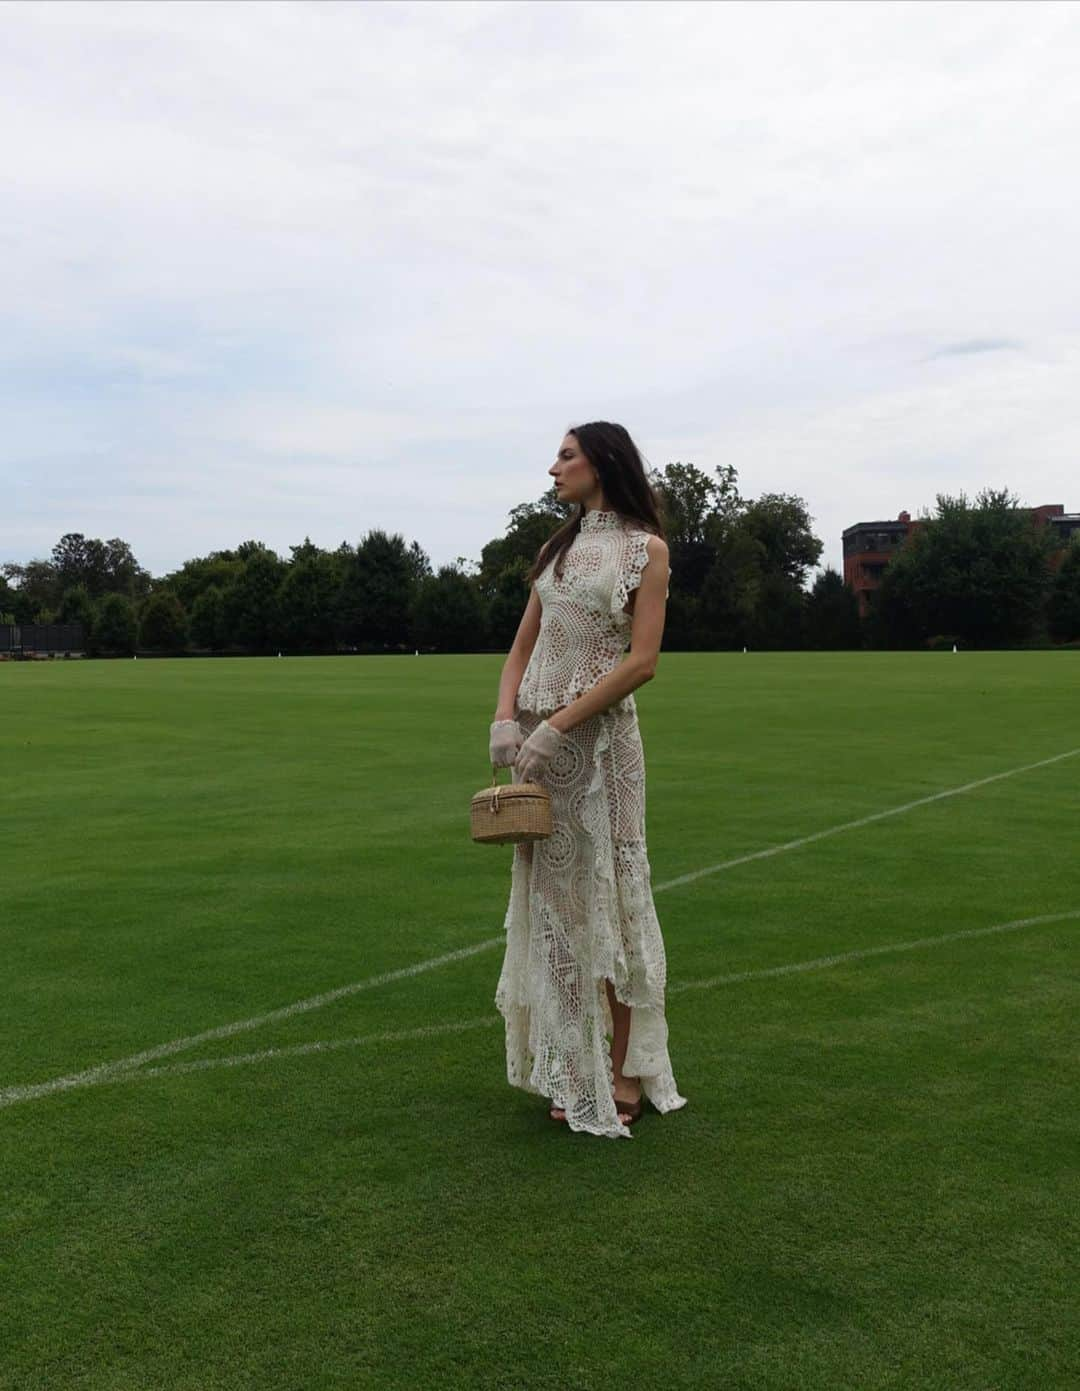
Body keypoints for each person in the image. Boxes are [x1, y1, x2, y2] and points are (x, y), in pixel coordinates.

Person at [490, 421, 688, 1139]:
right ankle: (575, 1066)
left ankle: (626, 1070)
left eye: (566, 456)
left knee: (613, 898)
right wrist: (506, 715)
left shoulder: (645, 550)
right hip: (541, 753)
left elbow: (642, 662)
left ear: (601, 463)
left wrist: (557, 723)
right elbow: (523, 644)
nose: (553, 468)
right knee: (557, 907)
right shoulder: (558, 548)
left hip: (599, 746)